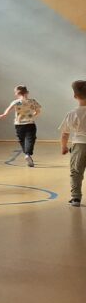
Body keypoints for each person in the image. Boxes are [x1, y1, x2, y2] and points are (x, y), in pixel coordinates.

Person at [0, 85, 42, 167]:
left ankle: (27, 154)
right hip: (30, 124)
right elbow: (38, 111)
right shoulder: (32, 101)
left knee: (21, 140)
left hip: (19, 124)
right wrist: (33, 115)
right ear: (27, 92)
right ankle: (27, 154)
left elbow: (8, 109)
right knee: (30, 139)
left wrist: (4, 114)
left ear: (17, 93)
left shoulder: (15, 102)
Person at [58, 79, 86, 207]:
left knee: (76, 172)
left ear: (75, 96)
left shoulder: (72, 114)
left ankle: (76, 198)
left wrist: (63, 147)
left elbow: (65, 133)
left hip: (79, 146)